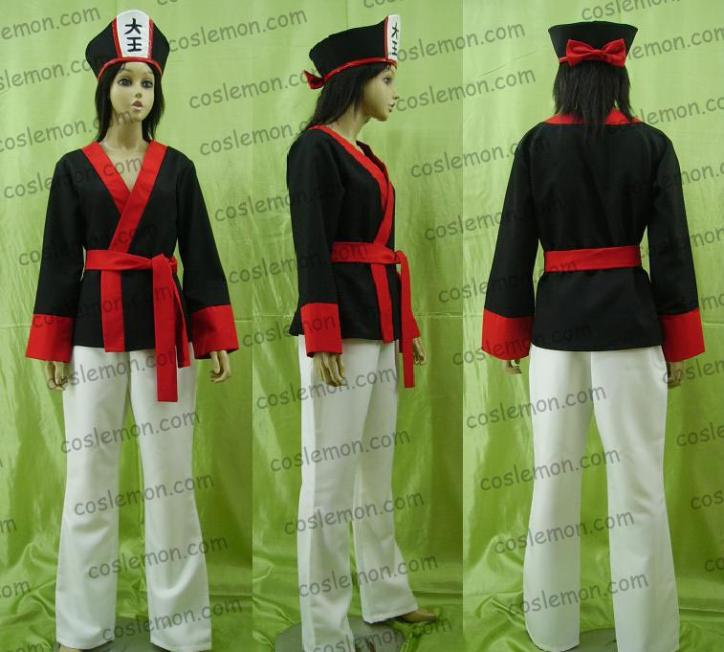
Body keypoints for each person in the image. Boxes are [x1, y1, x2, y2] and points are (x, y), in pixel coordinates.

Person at [481, 19, 704, 652]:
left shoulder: (534, 145)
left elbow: (514, 243)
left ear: (565, 75)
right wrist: (678, 343)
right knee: (639, 486)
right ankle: (647, 639)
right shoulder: (652, 145)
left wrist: (508, 334)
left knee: (553, 481)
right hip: (631, 330)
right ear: (619, 75)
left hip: (555, 332)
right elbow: (672, 251)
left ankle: (551, 631)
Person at [25, 10, 238, 651]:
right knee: (88, 479)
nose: (137, 93)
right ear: (104, 87)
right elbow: (59, 260)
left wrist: (213, 335)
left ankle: (183, 628)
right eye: (125, 81)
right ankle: (81, 626)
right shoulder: (72, 168)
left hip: (166, 333)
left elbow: (200, 253)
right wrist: (53, 344)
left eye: (147, 82)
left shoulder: (178, 168)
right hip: (91, 332)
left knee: (170, 480)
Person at [287, 14, 436, 652]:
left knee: (375, 470)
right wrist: (320, 330)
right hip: (339, 330)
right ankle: (323, 628)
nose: (396, 91)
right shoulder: (313, 149)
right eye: (388, 79)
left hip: (378, 322)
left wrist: (405, 324)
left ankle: (387, 595)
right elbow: (311, 246)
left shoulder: (368, 156)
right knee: (328, 480)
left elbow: (382, 248)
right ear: (356, 81)